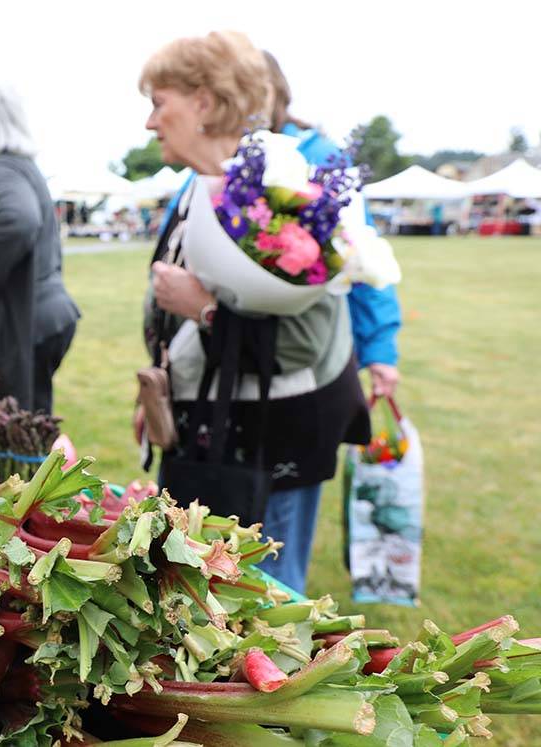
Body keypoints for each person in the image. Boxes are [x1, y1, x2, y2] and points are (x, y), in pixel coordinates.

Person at [137, 32, 370, 593]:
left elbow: (304, 341)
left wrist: (206, 310)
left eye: (158, 103)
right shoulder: (205, 184)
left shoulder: (278, 184)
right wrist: (164, 388)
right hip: (217, 431)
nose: (149, 123)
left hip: (276, 439)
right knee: (203, 598)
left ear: (205, 103)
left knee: (262, 602)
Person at [264, 51, 402, 399]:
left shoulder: (322, 157)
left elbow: (362, 252)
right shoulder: (217, 158)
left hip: (315, 357)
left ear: (277, 92)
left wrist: (380, 349)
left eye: (255, 88)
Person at [0, 86, 80, 413]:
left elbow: (18, 220)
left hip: (32, 319)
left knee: (23, 433)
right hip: (44, 314)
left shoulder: (2, 171)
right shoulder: (17, 167)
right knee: (28, 425)